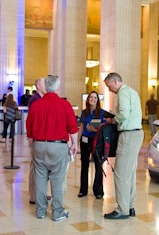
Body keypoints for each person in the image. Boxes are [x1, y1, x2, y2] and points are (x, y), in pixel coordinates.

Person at [26, 75, 78, 221]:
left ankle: (41, 210)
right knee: (57, 180)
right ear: (56, 87)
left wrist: (32, 145)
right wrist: (75, 144)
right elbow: (73, 128)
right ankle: (57, 212)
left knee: (40, 179)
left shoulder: (36, 105)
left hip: (39, 145)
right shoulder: (64, 105)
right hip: (58, 146)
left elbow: (29, 128)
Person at [103, 72, 143, 220]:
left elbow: (124, 115)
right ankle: (129, 206)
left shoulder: (123, 93)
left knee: (120, 173)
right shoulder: (131, 91)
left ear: (114, 81)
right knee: (129, 174)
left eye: (108, 86)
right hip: (135, 134)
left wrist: (113, 120)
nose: (109, 90)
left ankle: (122, 209)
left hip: (128, 135)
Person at [77, 91, 106, 200]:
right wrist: (76, 141)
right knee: (84, 165)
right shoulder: (84, 112)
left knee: (98, 165)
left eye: (95, 98)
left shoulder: (102, 113)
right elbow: (81, 127)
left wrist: (94, 129)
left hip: (97, 141)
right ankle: (83, 190)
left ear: (97, 100)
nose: (93, 99)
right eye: (91, 97)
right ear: (88, 99)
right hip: (84, 140)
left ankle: (98, 190)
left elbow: (104, 127)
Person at [27, 77, 45, 205]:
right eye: (45, 84)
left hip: (40, 138)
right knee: (34, 167)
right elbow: (32, 120)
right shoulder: (35, 100)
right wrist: (31, 138)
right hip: (36, 138)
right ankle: (34, 196)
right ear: (38, 86)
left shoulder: (41, 99)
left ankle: (39, 193)